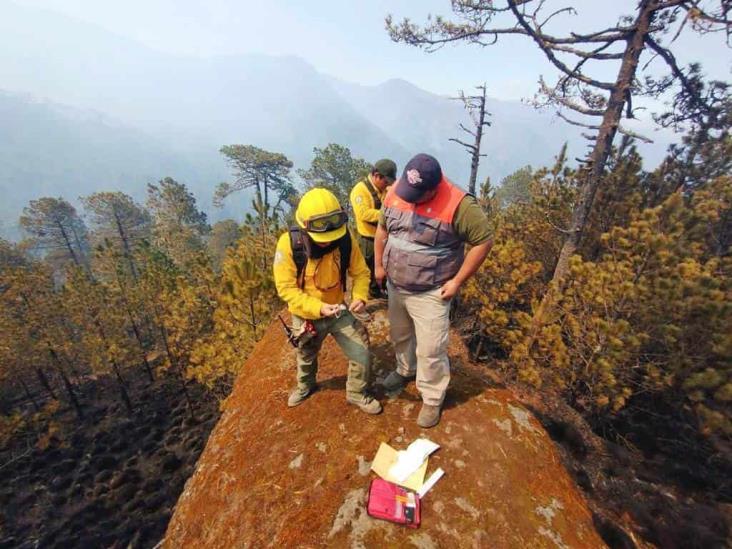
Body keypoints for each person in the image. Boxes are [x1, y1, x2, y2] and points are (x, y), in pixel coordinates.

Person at [374, 154, 492, 428]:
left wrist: (458, 281)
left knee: (431, 348)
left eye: (417, 194)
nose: (410, 198)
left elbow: (483, 241)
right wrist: (379, 265)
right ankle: (405, 370)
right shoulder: (396, 192)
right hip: (396, 285)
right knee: (400, 334)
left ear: (433, 188)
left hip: (431, 290)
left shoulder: (459, 204)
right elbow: (382, 229)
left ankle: (431, 396)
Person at [273, 188, 382, 414]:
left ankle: (356, 393)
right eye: (322, 238)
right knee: (306, 355)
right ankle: (305, 385)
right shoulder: (289, 245)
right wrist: (318, 308)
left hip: (338, 310)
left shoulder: (344, 238)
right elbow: (286, 288)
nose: (327, 242)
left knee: (361, 352)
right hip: (306, 314)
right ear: (305, 227)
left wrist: (360, 296)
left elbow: (361, 272)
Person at [349, 159, 397, 299]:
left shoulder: (384, 189)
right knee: (366, 270)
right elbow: (363, 213)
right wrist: (387, 214)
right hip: (368, 238)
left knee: (384, 265)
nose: (387, 185)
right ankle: (362, 298)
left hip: (384, 236)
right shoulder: (360, 190)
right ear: (376, 175)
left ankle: (379, 291)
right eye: (385, 182)